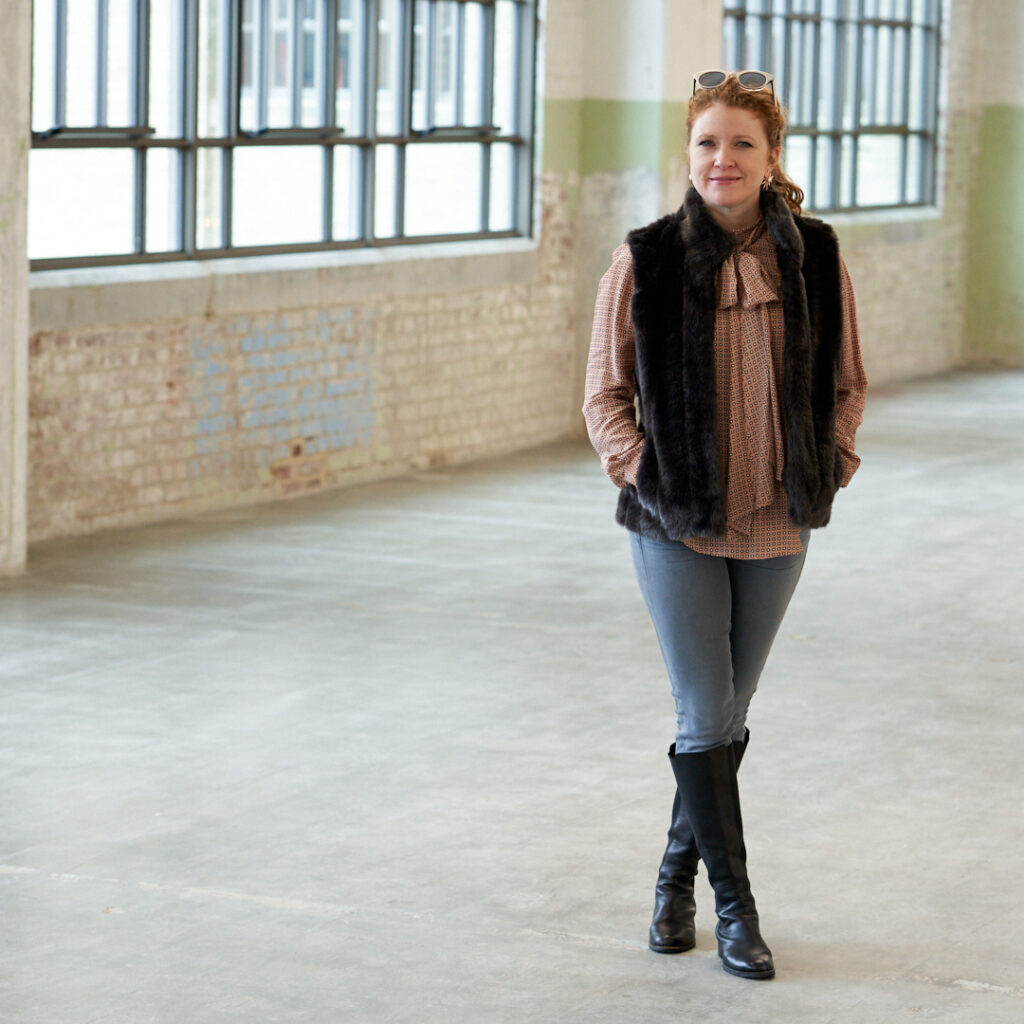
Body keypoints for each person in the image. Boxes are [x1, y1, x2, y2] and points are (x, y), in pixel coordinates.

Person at [582, 69, 867, 981]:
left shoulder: (816, 257)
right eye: (707, 142)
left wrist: (832, 462)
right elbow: (605, 395)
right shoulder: (645, 259)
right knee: (706, 709)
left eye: (742, 143)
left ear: (772, 157)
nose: (722, 158)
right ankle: (736, 911)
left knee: (728, 713)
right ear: (690, 155)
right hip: (675, 525)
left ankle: (672, 878)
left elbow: (846, 382)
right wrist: (651, 476)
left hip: (780, 522)